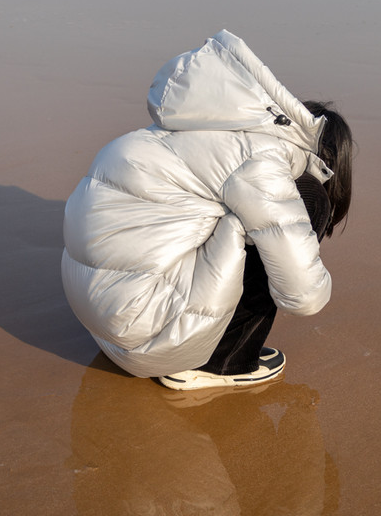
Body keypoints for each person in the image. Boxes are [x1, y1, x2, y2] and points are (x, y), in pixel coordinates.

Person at [60, 30, 354, 391]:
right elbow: (304, 297)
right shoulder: (261, 158)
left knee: (246, 219)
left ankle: (193, 343)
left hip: (105, 326)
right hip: (152, 337)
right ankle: (221, 363)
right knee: (304, 201)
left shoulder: (173, 133)